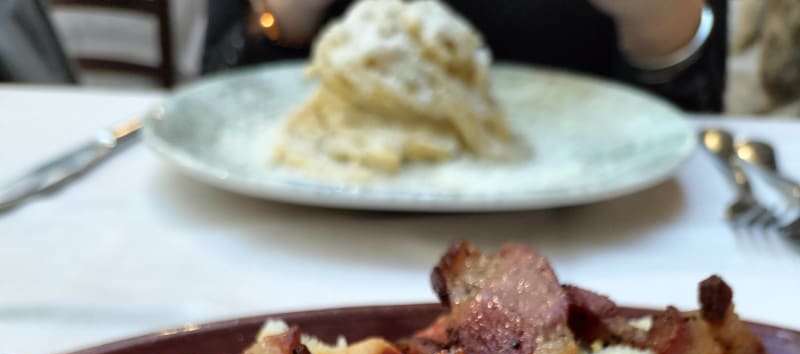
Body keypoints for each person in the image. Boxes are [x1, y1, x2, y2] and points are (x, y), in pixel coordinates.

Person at [202, 0, 728, 112]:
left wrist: (656, 20)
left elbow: (691, 109)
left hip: (592, 227)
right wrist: (285, 14)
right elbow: (217, 100)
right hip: (305, 215)